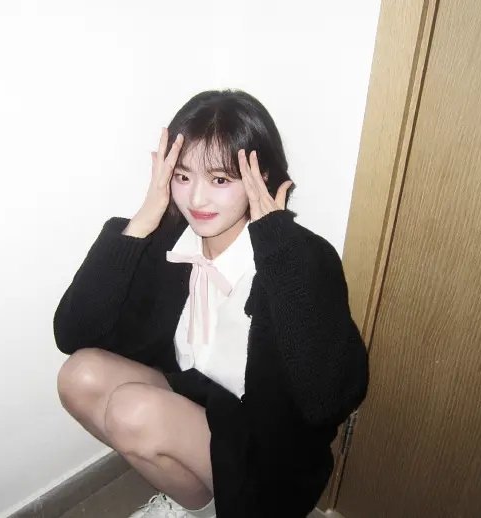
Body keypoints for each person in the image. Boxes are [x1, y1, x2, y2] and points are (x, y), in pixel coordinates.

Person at [53, 89, 369, 518]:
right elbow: (72, 335)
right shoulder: (169, 239)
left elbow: (328, 400)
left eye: (219, 180)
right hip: (197, 404)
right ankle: (195, 507)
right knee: (79, 375)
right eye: (183, 176)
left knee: (132, 412)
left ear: (261, 176)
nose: (196, 200)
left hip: (265, 449)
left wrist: (278, 248)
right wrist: (143, 219)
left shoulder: (298, 258)